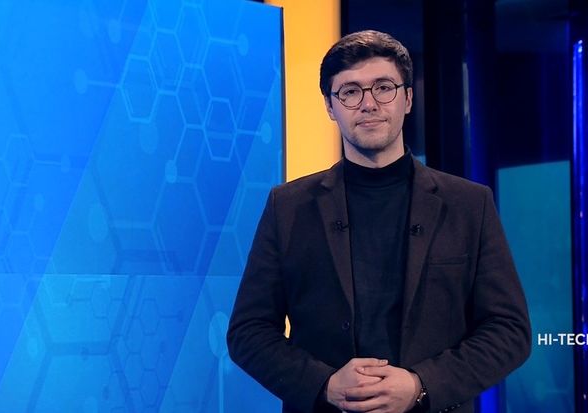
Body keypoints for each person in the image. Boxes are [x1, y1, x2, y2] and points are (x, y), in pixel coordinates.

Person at [227, 30, 531, 413]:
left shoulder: (469, 204)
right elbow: (248, 331)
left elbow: (509, 330)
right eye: (350, 92)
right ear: (330, 106)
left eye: (383, 88)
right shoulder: (287, 207)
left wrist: (422, 385)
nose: (368, 104)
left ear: (408, 98)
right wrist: (324, 384)